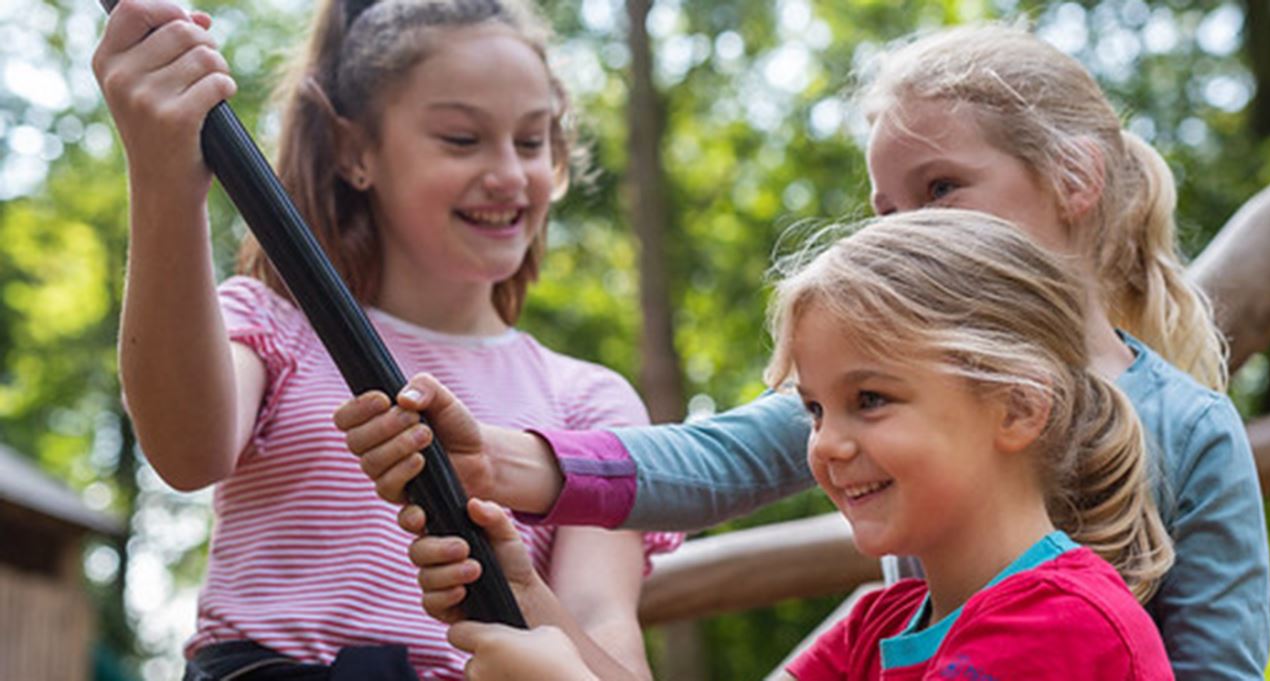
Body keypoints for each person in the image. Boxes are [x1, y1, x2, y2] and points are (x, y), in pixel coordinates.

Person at [342, 22, 1269, 679]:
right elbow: (713, 457)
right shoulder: (885, 603)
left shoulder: (1174, 450)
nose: (905, 233)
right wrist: (503, 484)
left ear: (1074, 179)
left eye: (942, 188)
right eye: (887, 212)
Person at [93, 0, 676, 677]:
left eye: (532, 140)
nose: (510, 174)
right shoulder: (274, 327)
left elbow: (614, 663)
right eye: (462, 139)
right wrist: (164, 176)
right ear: (355, 151)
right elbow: (187, 450)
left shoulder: (589, 404)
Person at [380, 210, 1177, 679]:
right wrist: (526, 595)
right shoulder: (881, 624)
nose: (827, 444)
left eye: (870, 400)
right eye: (814, 409)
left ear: (1017, 407)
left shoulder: (1063, 626)